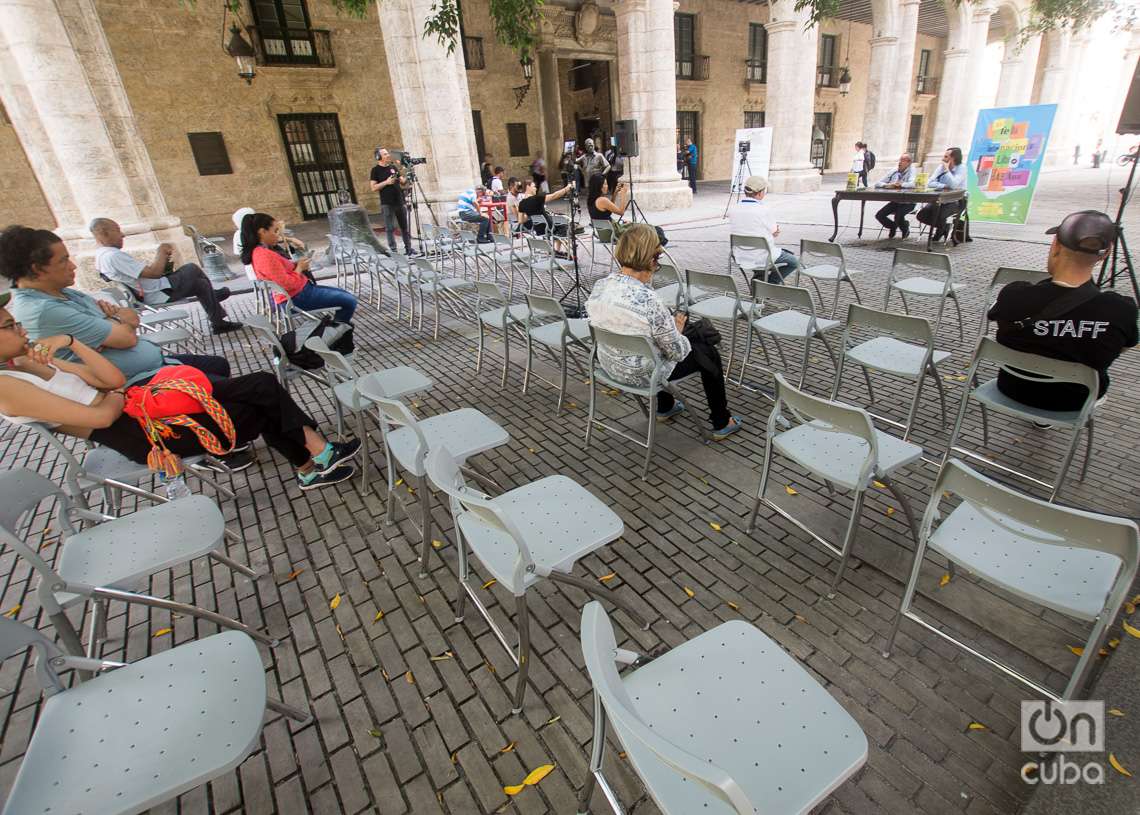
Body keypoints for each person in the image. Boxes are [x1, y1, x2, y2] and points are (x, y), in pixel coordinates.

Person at [0, 292, 361, 489]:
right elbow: (102, 413)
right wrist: (114, 396)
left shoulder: (27, 364)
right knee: (259, 399)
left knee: (261, 388)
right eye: (8, 326)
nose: (20, 329)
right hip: (145, 434)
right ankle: (314, 460)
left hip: (144, 407)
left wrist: (69, 342)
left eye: (15, 322)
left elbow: (111, 381)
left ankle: (314, 461)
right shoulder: (7, 387)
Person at [2, 226, 231, 385]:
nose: (72, 266)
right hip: (137, 382)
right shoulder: (45, 310)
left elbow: (129, 320)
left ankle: (215, 307)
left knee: (219, 365)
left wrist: (115, 323)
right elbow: (126, 336)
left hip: (152, 362)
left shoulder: (62, 293)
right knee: (253, 387)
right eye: (63, 260)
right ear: (37, 269)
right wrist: (117, 321)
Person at [587, 225, 741, 440]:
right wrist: (677, 332)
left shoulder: (601, 286)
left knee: (662, 344)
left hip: (610, 364)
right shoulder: (650, 301)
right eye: (657, 261)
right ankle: (722, 420)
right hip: (642, 375)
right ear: (651, 261)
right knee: (707, 352)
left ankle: (666, 406)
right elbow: (677, 353)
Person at [987, 210, 1137, 413]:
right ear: (1106, 253)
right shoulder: (1121, 310)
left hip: (1012, 389)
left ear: (1055, 244)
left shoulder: (1014, 296)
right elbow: (1119, 348)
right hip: (1076, 401)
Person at [90, 218, 241, 335]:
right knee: (191, 268)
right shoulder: (112, 256)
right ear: (104, 233)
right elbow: (155, 273)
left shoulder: (102, 255)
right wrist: (161, 251)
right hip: (158, 293)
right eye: (117, 230)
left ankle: (219, 324)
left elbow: (148, 273)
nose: (122, 234)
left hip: (156, 289)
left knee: (201, 284)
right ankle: (214, 296)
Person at [241, 213, 357, 323]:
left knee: (346, 296)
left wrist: (296, 265)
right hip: (296, 298)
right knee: (349, 301)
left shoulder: (261, 252)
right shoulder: (264, 255)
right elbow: (287, 283)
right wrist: (299, 268)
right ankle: (336, 332)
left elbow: (280, 274)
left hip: (299, 293)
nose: (278, 235)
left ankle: (338, 330)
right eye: (275, 231)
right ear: (262, 232)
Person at [727, 175, 799, 282]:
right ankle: (770, 284)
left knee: (762, 258)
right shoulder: (764, 210)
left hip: (740, 256)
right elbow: (775, 231)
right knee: (794, 262)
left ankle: (759, 281)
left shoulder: (733, 208)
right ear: (760, 193)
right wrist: (773, 232)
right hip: (763, 256)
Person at [370, 148, 417, 257]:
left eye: (387, 153)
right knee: (389, 228)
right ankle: (394, 251)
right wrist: (386, 182)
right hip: (387, 203)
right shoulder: (375, 170)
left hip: (399, 201)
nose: (388, 155)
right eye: (385, 154)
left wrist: (408, 172)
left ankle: (408, 248)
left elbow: (403, 181)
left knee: (404, 226)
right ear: (379, 157)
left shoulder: (393, 167)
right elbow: (373, 187)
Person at [916, 147, 967, 242]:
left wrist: (947, 170)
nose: (943, 159)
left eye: (946, 156)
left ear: (953, 158)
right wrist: (943, 185)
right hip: (939, 199)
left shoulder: (962, 168)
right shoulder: (941, 167)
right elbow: (930, 182)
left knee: (938, 215)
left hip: (956, 200)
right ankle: (944, 227)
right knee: (921, 215)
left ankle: (939, 232)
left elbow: (954, 184)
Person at [873, 153, 917, 239]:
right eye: (900, 160)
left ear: (909, 162)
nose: (900, 162)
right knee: (879, 215)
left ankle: (905, 229)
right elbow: (878, 183)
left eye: (903, 160)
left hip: (909, 202)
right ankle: (893, 226)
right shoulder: (895, 170)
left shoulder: (912, 170)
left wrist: (900, 185)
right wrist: (886, 185)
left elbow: (912, 184)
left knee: (898, 215)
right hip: (896, 201)